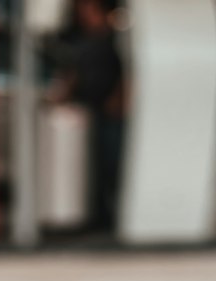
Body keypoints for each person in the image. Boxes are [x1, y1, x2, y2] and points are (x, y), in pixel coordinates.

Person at [54, 0, 126, 232]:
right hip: (88, 109)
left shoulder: (116, 38)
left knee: (111, 163)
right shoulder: (81, 41)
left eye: (89, 10)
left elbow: (128, 71)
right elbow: (73, 72)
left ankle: (114, 215)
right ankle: (97, 214)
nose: (85, 15)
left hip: (110, 111)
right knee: (91, 164)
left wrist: (120, 98)